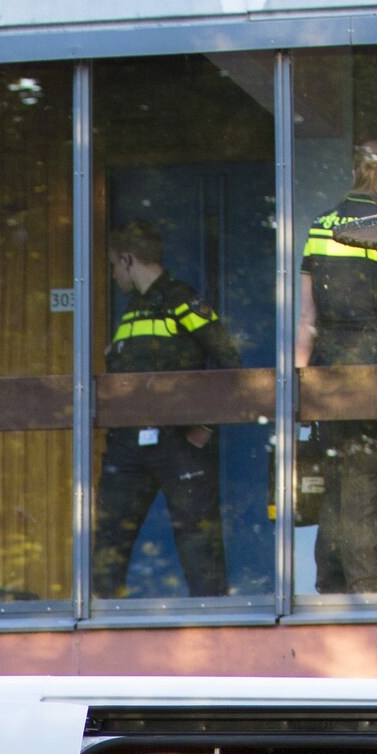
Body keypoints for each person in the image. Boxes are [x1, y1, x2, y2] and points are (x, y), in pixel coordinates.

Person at [90, 221, 240, 600]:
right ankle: (100, 630)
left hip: (177, 440)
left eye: (113, 266)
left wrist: (204, 426)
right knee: (110, 540)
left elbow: (228, 360)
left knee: (198, 541)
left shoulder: (180, 299)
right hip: (128, 443)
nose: (114, 275)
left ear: (127, 259)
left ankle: (216, 630)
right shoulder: (131, 312)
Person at [297, 136, 377, 594]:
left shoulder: (320, 226)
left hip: (327, 377)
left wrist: (299, 387)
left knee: (336, 485)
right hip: (375, 373)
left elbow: (307, 319)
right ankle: (367, 594)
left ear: (353, 172)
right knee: (368, 482)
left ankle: (330, 589)